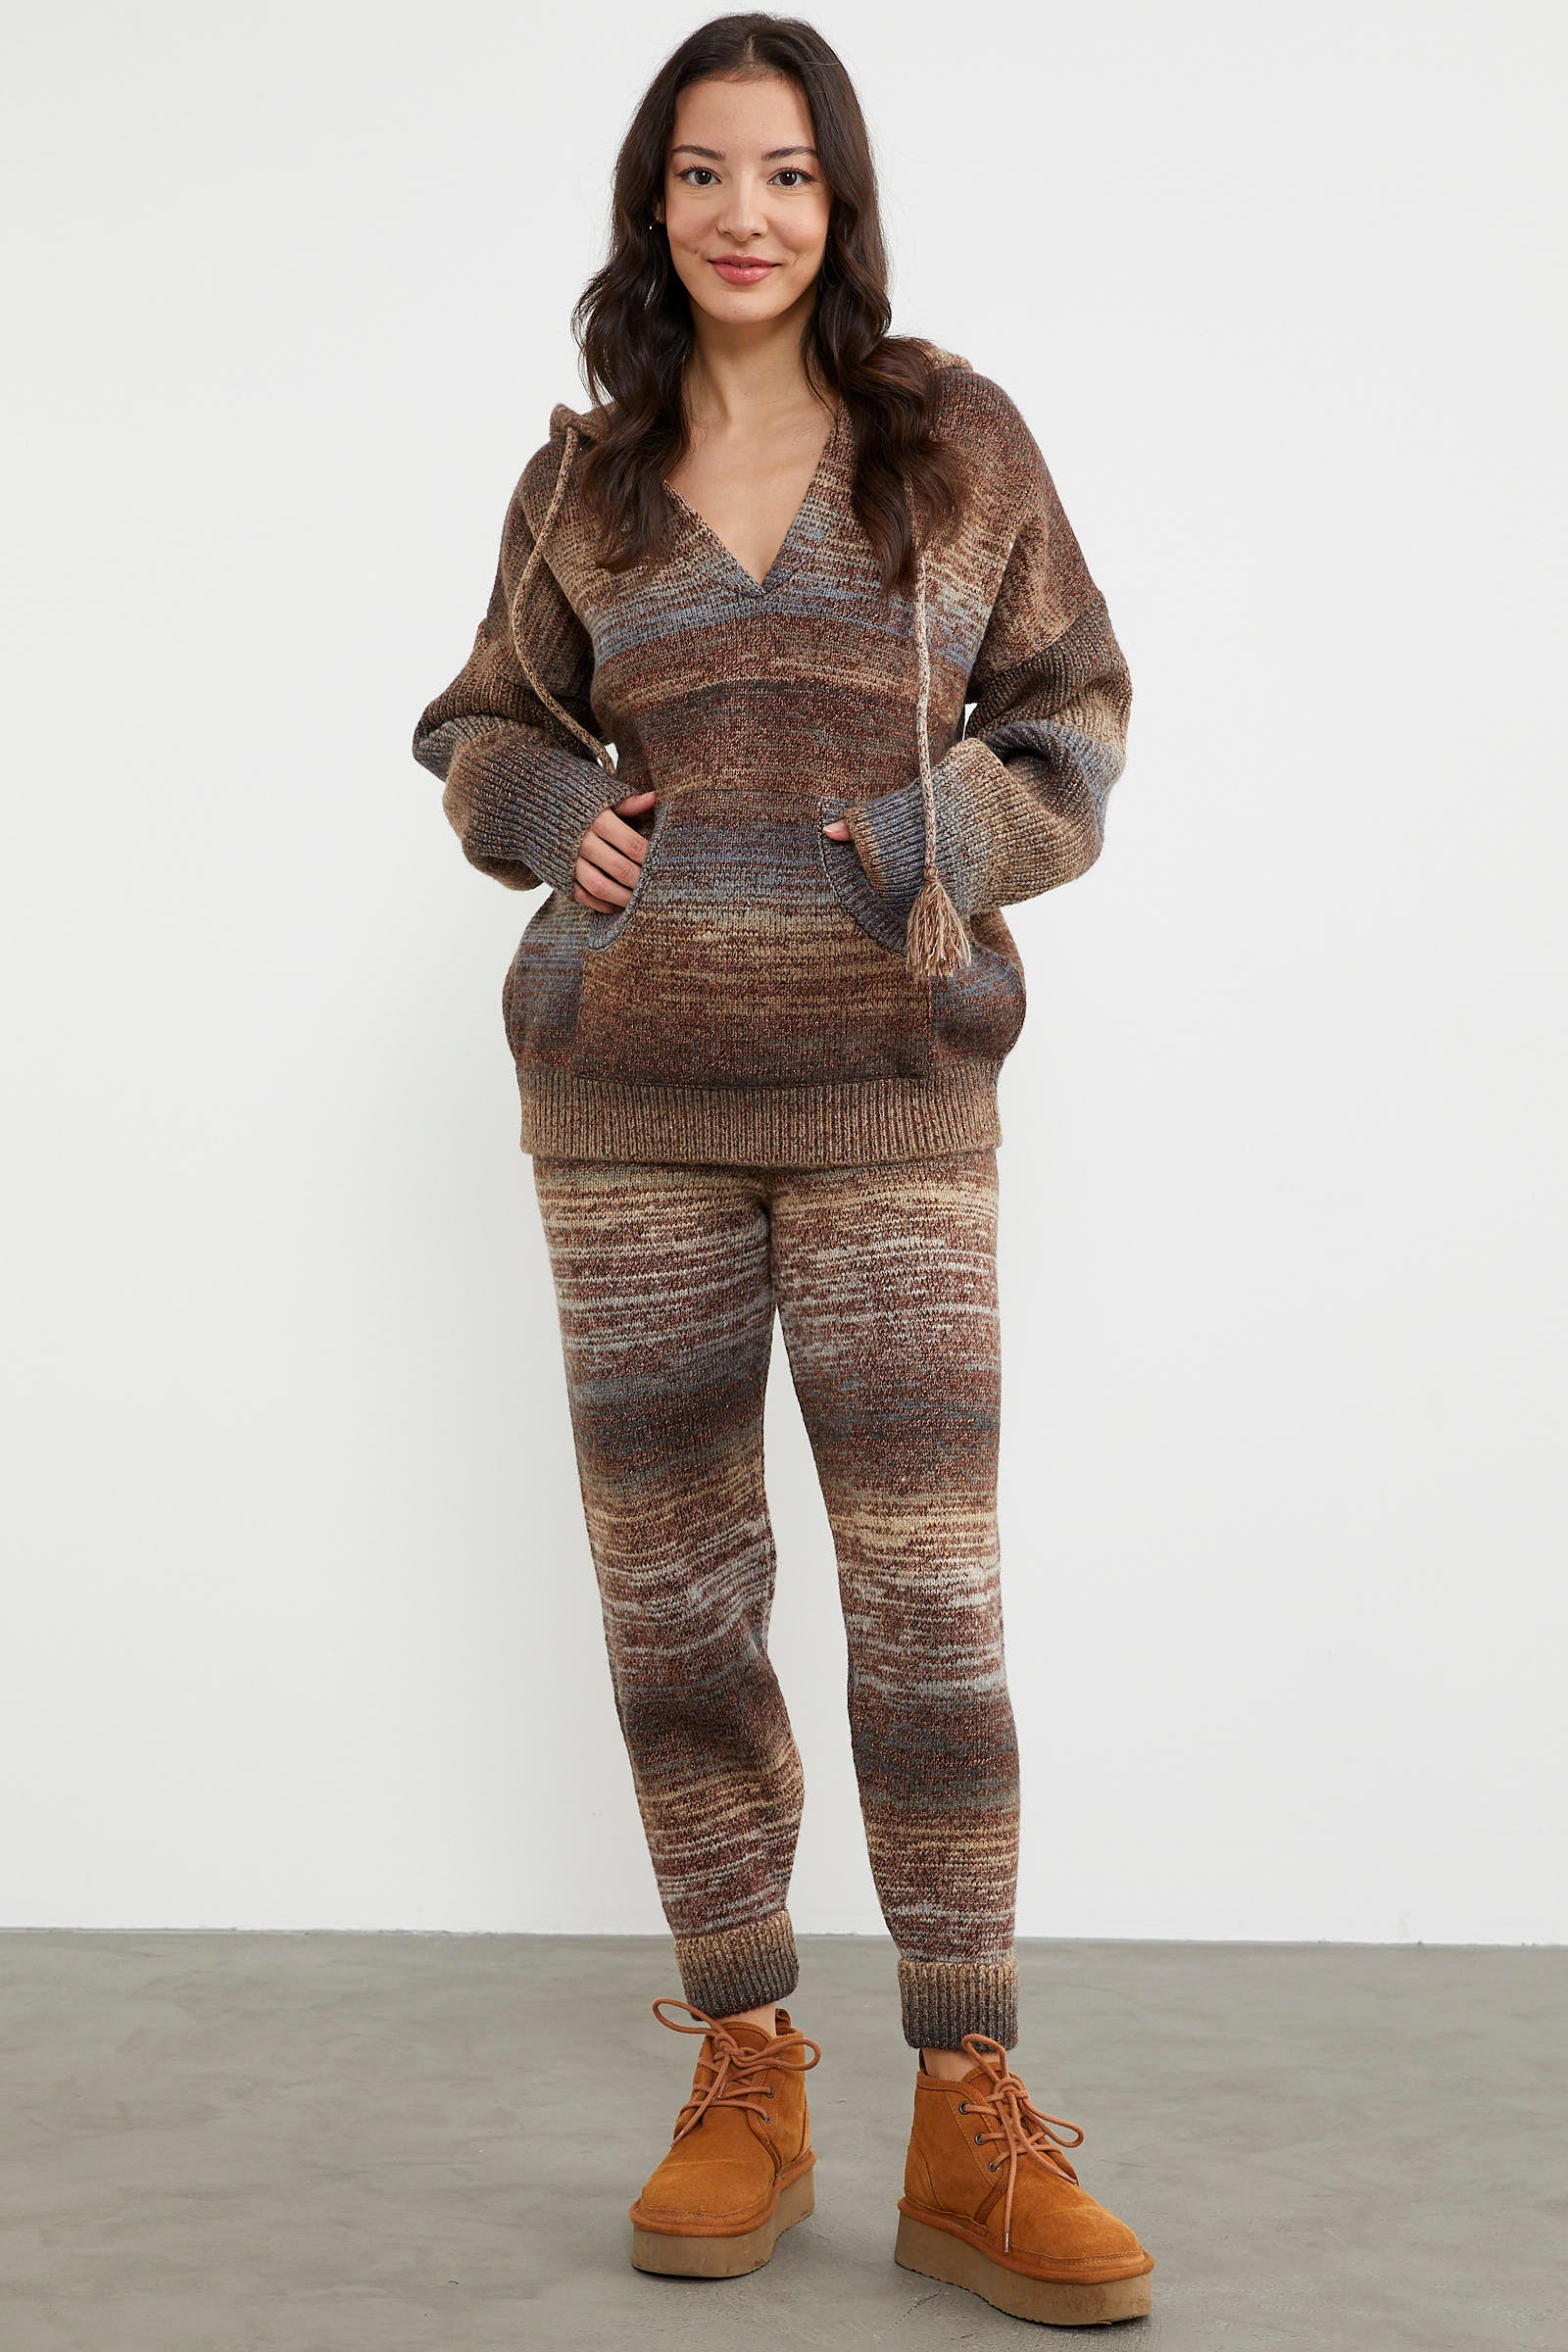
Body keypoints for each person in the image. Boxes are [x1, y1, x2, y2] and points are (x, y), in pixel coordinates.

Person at [411, 11, 1152, 2328]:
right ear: (655, 207)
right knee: (676, 1606)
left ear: (839, 203)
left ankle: (965, 2105)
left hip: (889, 1105)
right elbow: (476, 727)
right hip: (623, 1109)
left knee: (926, 1604)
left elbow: (1074, 717)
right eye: (704, 173)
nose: (746, 214)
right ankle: (743, 2062)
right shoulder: (580, 484)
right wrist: (552, 810)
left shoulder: (949, 445)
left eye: (787, 173)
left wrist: (939, 840)